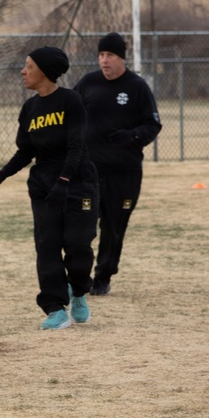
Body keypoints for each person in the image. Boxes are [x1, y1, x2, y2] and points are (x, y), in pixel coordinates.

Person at [0, 46, 99, 331]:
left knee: (78, 246)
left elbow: (76, 146)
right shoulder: (30, 108)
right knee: (46, 247)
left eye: (29, 66)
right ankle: (55, 308)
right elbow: (25, 151)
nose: (23, 71)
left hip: (78, 184)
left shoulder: (71, 101)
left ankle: (79, 290)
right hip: (44, 187)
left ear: (45, 71)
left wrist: (64, 181)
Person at [73, 31, 162, 296]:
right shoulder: (88, 83)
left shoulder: (136, 86)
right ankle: (78, 276)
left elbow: (153, 124)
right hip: (90, 170)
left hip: (125, 171)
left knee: (114, 226)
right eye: (101, 55)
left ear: (121, 58)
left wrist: (132, 136)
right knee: (82, 225)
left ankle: (103, 276)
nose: (104, 60)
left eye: (110, 55)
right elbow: (70, 114)